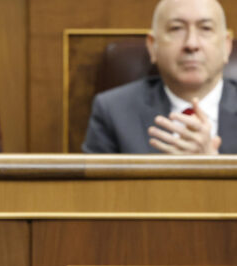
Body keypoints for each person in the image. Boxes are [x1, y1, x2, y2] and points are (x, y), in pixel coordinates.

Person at [82, 0, 236, 154]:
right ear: (152, 46)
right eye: (176, 28)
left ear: (226, 46)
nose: (191, 44)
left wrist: (214, 166)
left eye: (206, 28)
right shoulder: (113, 111)